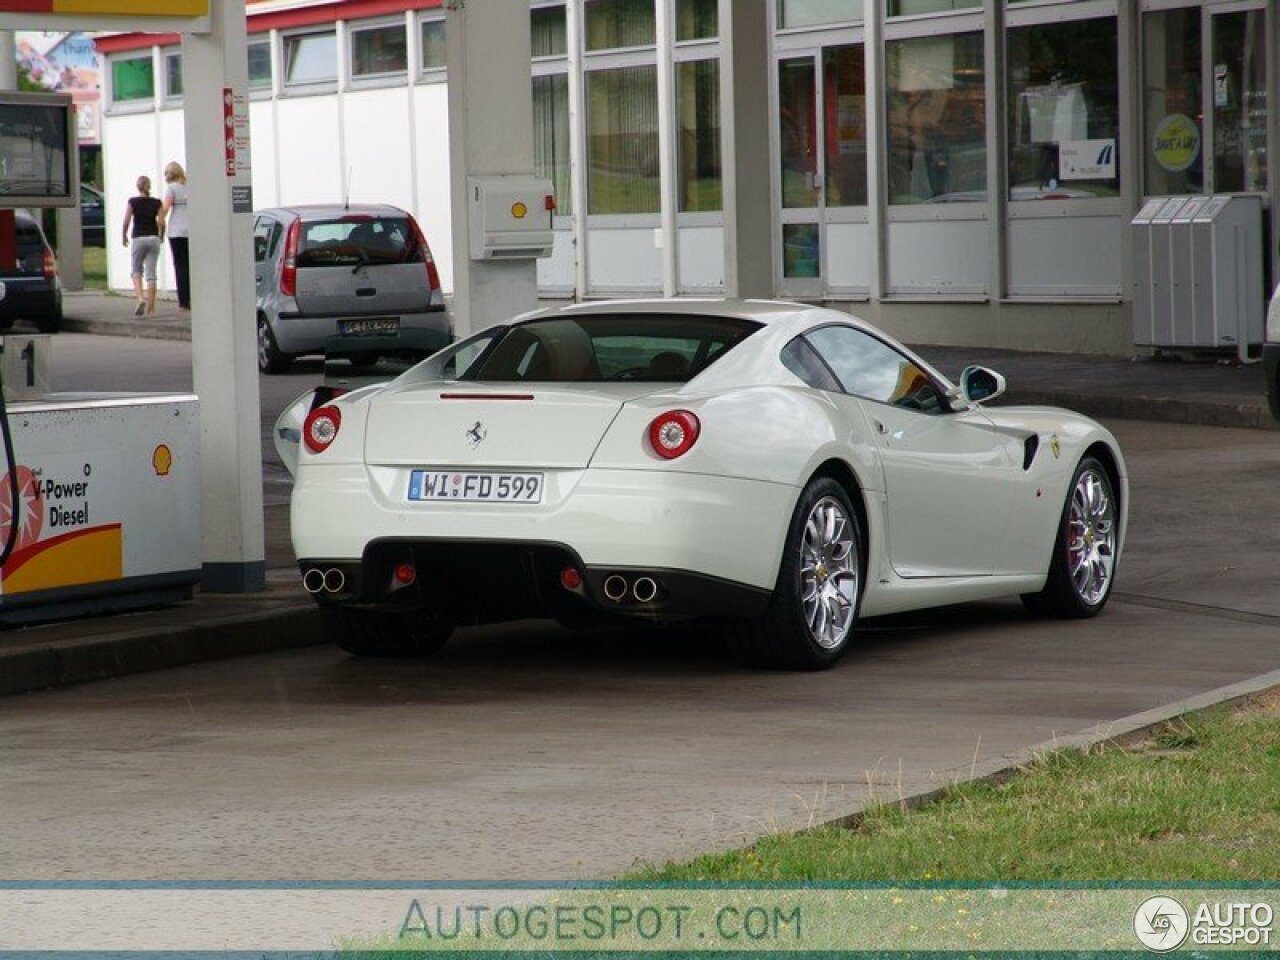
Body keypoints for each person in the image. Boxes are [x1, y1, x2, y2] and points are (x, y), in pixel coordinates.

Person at [121, 174, 163, 316]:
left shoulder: (132, 202)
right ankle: (151, 309)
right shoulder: (157, 202)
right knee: (152, 275)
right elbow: (162, 222)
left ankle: (140, 298)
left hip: (138, 237)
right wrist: (161, 235)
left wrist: (124, 235)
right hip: (153, 237)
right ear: (149, 187)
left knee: (136, 270)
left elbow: (126, 220)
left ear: (138, 187)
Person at [159, 160, 190, 311]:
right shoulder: (189, 187)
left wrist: (158, 220)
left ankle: (183, 302)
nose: (165, 176)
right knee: (191, 265)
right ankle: (192, 298)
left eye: (167, 173)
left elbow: (165, 208)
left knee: (180, 265)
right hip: (191, 230)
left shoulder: (171, 189)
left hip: (177, 231)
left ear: (172, 174)